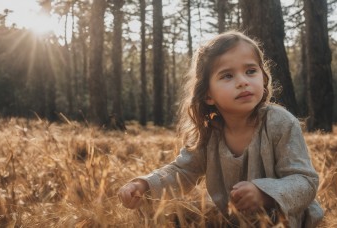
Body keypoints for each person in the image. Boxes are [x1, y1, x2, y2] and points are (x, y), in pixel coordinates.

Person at [118, 31, 324, 227]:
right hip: (234, 222)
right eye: (227, 76)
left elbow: (305, 181)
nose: (243, 82)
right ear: (208, 95)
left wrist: (265, 194)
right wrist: (144, 185)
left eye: (251, 71)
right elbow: (183, 171)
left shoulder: (280, 123)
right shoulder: (210, 132)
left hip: (287, 223)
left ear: (263, 77)